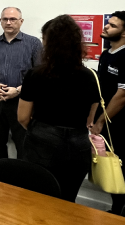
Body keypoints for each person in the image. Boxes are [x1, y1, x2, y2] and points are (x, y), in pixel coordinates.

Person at [18, 15, 100, 202]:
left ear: (48, 43)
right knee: (68, 199)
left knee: (39, 199)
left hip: (43, 141)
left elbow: (22, 117)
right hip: (79, 144)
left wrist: (41, 130)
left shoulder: (36, 74)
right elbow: (90, 119)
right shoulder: (90, 76)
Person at [88, 11, 125, 213]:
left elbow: (124, 95)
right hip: (108, 122)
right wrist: (93, 118)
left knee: (123, 170)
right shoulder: (107, 54)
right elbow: (102, 91)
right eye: (108, 23)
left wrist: (100, 122)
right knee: (112, 170)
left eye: (113, 25)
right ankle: (118, 211)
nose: (106, 27)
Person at [0, 7, 42, 162]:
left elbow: (39, 74)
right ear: (0, 21)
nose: (8, 22)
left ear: (21, 21)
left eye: (13, 19)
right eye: (5, 19)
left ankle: (20, 180)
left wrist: (19, 90)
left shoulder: (33, 43)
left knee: (23, 142)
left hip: (22, 101)